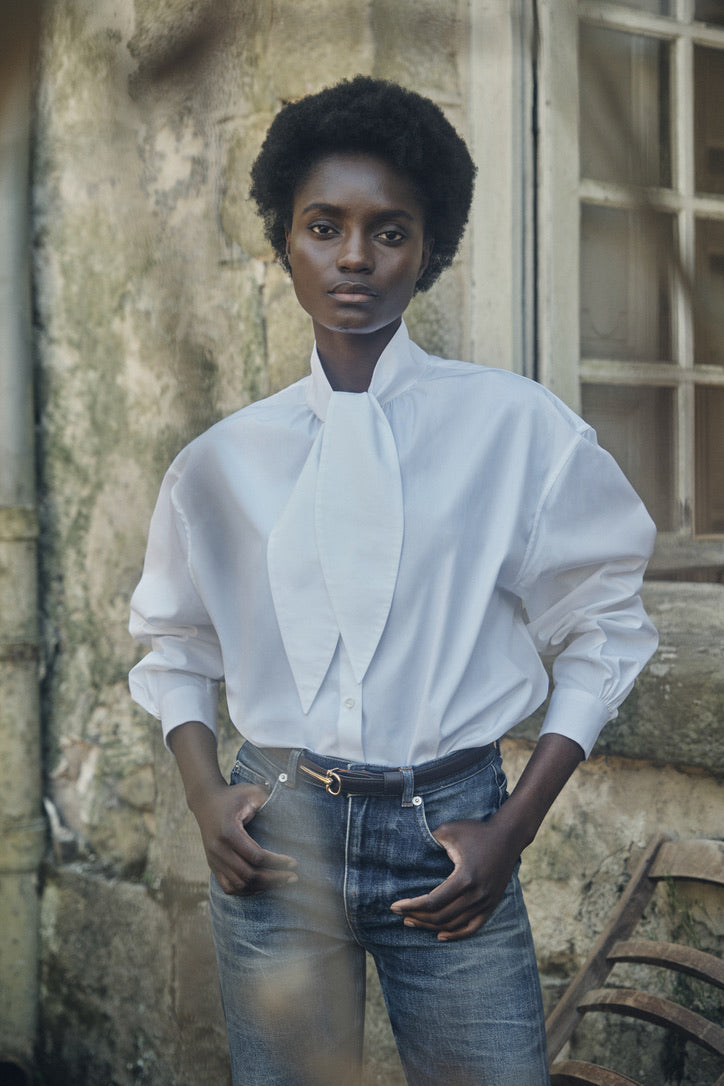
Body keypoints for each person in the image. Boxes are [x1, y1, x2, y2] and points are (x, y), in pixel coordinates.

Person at [129, 76, 658, 1086]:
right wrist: (205, 793)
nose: (355, 259)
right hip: (275, 833)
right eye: (324, 226)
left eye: (390, 231)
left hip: (450, 836)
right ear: (284, 239)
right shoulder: (220, 462)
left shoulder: (518, 431)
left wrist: (513, 826)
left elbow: (603, 628)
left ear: (432, 248)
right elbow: (178, 646)